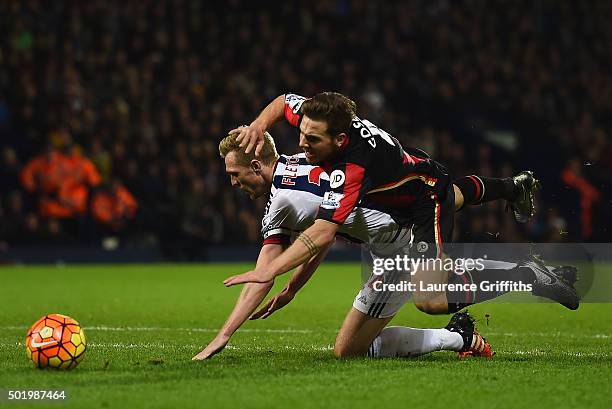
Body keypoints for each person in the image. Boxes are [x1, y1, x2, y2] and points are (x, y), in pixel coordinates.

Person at [224, 92, 580, 314]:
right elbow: (285, 101)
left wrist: (269, 272)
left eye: (311, 138)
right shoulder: (322, 119)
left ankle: (525, 275)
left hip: (422, 199)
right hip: (408, 182)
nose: (302, 142)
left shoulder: (353, 168)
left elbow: (322, 234)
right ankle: (510, 187)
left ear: (340, 139)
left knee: (430, 300)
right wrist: (257, 126)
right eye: (301, 133)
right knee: (453, 194)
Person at [193, 131, 494, 360]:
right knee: (350, 347)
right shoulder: (300, 161)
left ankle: (482, 312)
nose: (233, 183)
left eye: (235, 174)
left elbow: (262, 276)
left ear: (256, 165)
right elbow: (323, 233)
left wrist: (224, 334)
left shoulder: (282, 201)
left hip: (398, 245)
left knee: (355, 347)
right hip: (396, 230)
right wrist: (293, 288)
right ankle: (461, 332)